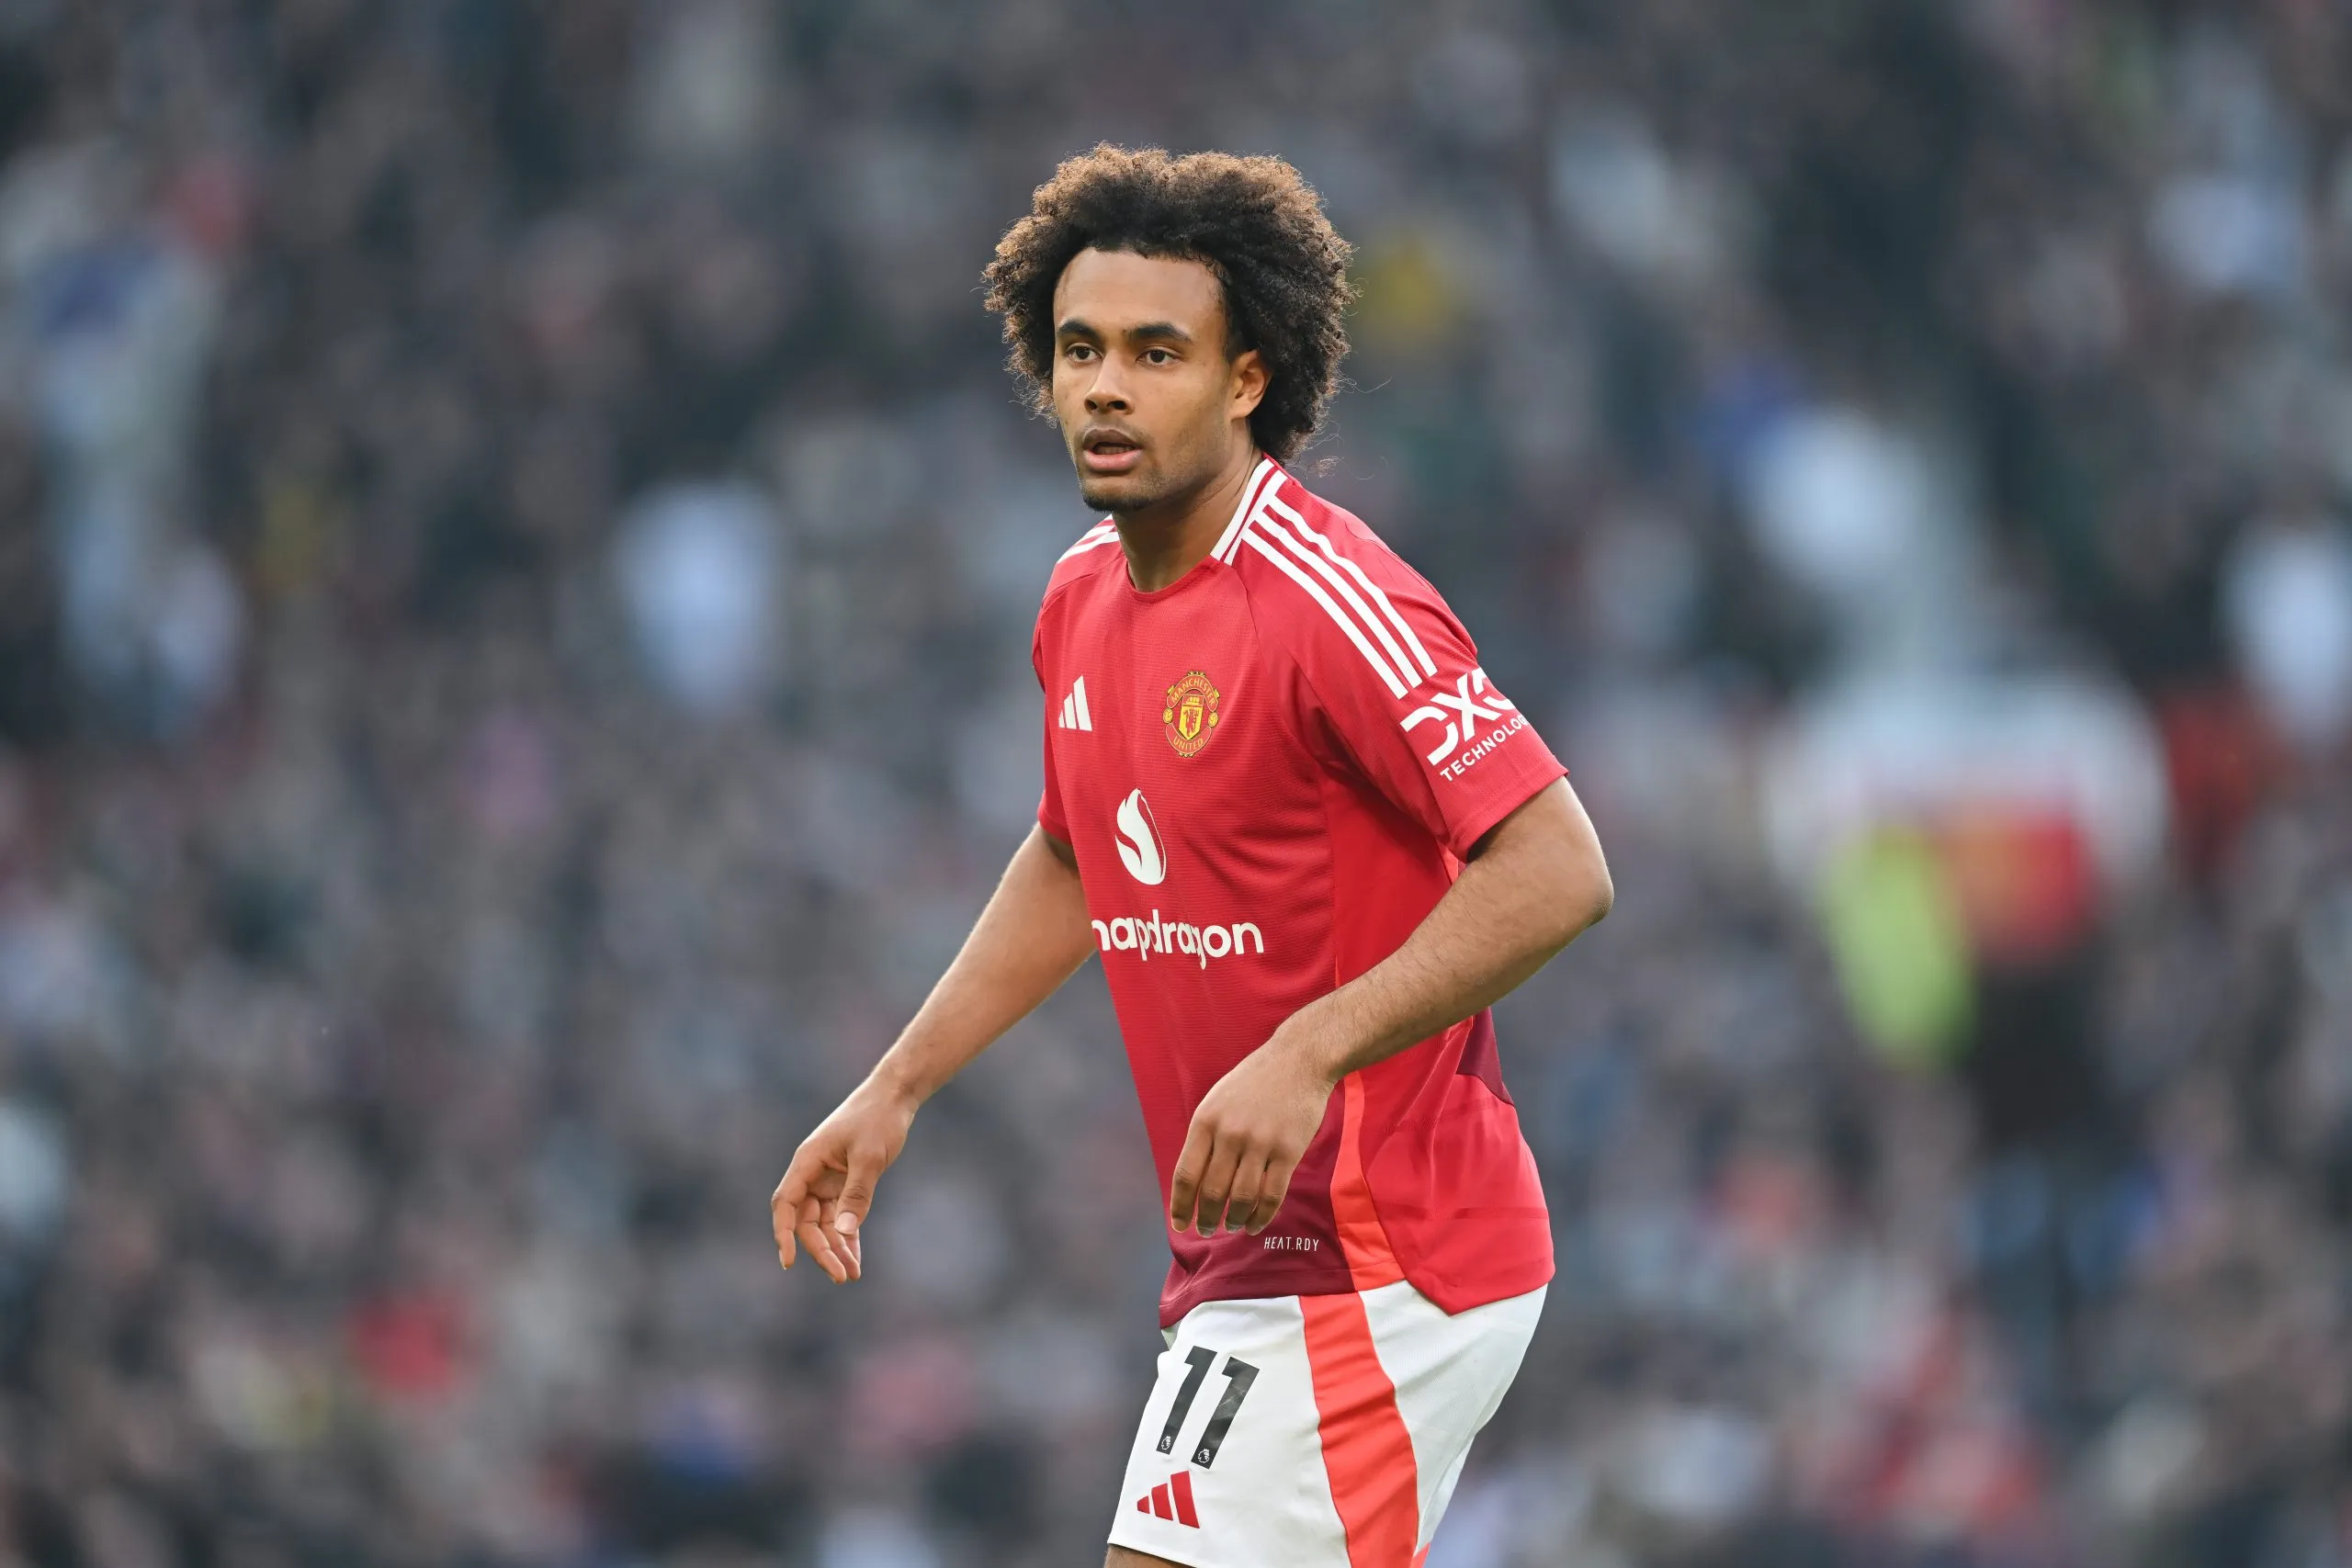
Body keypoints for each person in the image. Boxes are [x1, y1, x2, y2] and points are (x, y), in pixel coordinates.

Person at [771, 145, 1614, 1568]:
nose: (1105, 385)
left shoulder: (1329, 596)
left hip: (1387, 1252)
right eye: (1080, 348)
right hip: (1251, 1260)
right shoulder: (1080, 596)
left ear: (1246, 380)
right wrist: (895, 1086)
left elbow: (1558, 865)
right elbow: (1074, 855)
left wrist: (1306, 1052)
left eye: (1157, 352)